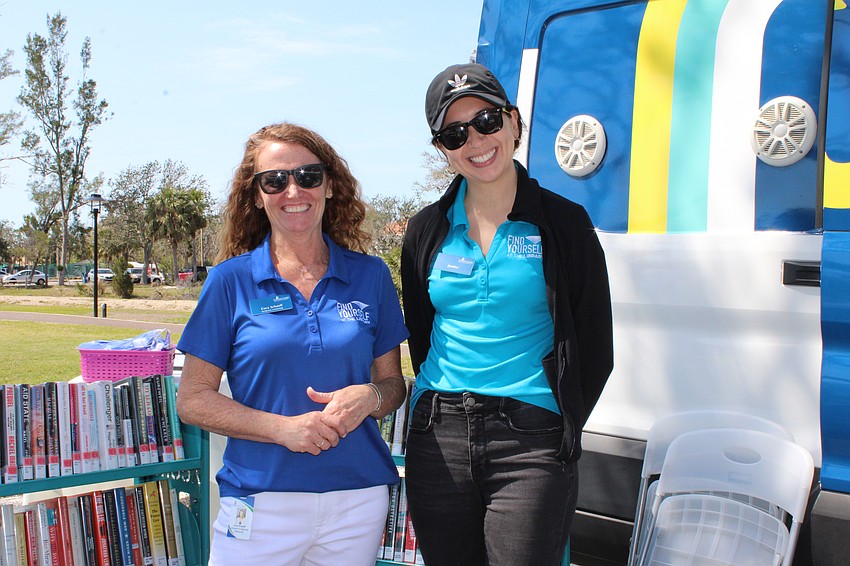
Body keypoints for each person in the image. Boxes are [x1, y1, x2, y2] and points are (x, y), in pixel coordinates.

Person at [401, 63, 614, 566]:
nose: (475, 139)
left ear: (514, 122)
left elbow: (595, 342)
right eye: (455, 132)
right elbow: (420, 332)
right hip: (438, 431)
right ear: (442, 150)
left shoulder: (563, 223)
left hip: (531, 438)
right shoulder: (426, 229)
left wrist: (561, 422)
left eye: (487, 120)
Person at [176, 123, 409, 565]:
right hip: (260, 500)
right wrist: (284, 430)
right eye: (275, 180)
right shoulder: (229, 281)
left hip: (357, 500)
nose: (293, 190)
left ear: (330, 184)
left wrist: (372, 396)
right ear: (257, 194)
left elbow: (392, 385)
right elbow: (192, 401)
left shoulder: (372, 275)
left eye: (308, 175)